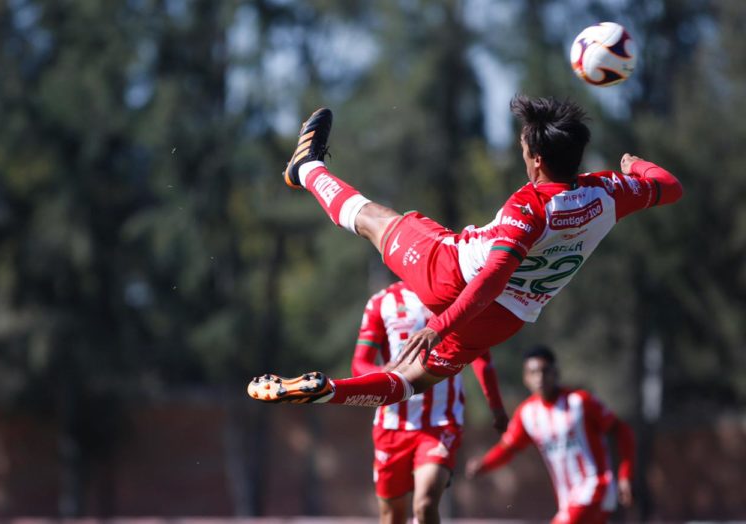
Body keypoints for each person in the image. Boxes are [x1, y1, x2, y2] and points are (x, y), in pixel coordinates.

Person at [247, 95, 683, 407]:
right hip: (509, 317)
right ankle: (332, 392)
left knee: (373, 222)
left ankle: (305, 168)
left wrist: (438, 325)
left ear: (535, 161)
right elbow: (671, 187)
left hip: (452, 275)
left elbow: (491, 276)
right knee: (411, 381)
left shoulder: (530, 207)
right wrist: (635, 166)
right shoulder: (611, 192)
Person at [353, 280, 508, 524]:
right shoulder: (381, 302)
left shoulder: (455, 296)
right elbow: (359, 364)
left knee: (425, 504)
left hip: (441, 422)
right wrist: (383, 371)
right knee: (392, 516)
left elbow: (479, 354)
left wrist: (496, 405)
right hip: (392, 424)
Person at [465, 345, 635, 524]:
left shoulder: (579, 401)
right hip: (566, 500)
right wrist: (483, 465)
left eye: (545, 371)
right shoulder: (527, 414)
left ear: (556, 373)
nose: (540, 378)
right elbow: (508, 448)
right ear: (525, 378)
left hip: (596, 488)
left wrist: (625, 475)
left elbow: (623, 431)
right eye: (533, 372)